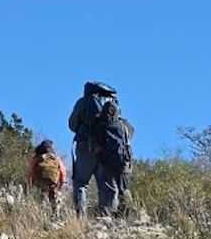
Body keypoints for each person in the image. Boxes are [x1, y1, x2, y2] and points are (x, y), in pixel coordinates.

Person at [68, 80, 120, 217]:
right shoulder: (110, 103)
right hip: (105, 149)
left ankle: (81, 217)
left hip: (85, 148)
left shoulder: (82, 102)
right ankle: (107, 216)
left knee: (81, 182)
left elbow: (72, 125)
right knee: (105, 185)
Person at [96, 99, 135, 219]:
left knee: (110, 188)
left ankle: (109, 213)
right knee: (124, 188)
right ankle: (127, 213)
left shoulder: (101, 125)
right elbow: (132, 133)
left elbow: (98, 144)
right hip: (124, 160)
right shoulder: (124, 124)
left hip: (107, 161)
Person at [26, 139, 66, 212]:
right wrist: (61, 184)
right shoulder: (56, 158)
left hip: (39, 181)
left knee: (41, 198)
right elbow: (63, 172)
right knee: (53, 198)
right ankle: (54, 214)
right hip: (53, 181)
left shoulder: (37, 158)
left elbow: (30, 172)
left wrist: (29, 184)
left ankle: (40, 213)